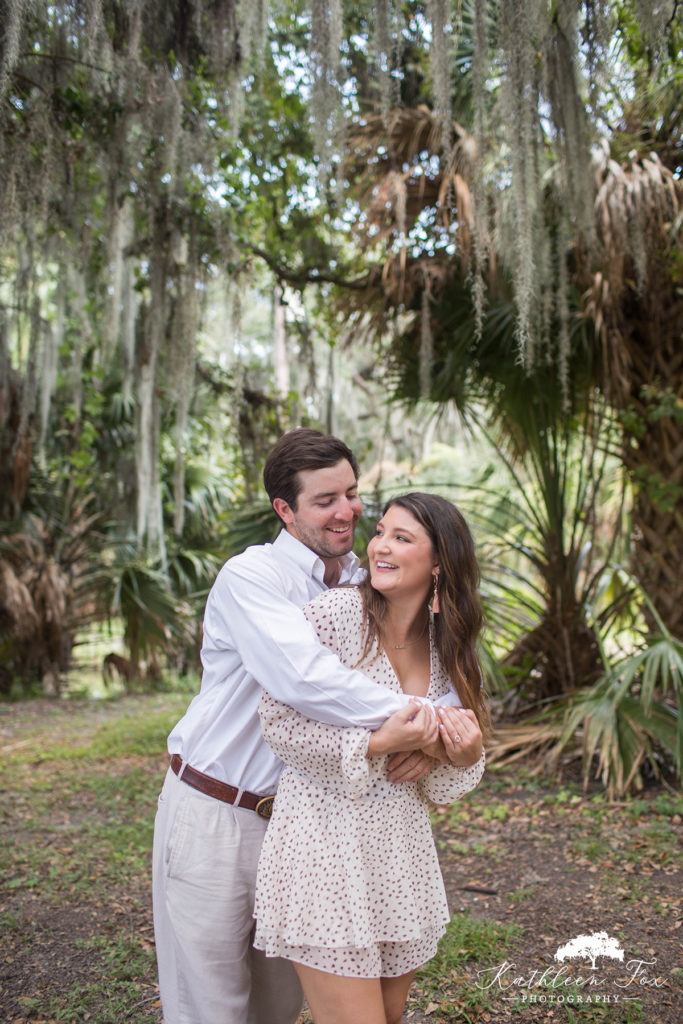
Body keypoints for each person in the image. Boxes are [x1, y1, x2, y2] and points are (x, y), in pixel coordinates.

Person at [152, 430, 452, 1024]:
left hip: (307, 831)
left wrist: (439, 738)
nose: (347, 511)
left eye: (351, 492)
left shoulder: (368, 585)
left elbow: (427, 664)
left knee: (278, 1007)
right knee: (206, 1005)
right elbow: (305, 681)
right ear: (284, 510)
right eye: (324, 500)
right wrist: (424, 725)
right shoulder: (254, 577)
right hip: (217, 813)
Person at [253, 492, 489, 1024]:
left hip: (399, 858)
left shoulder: (447, 647)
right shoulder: (334, 617)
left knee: (389, 1015)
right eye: (380, 531)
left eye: (402, 538)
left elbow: (445, 780)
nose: (379, 546)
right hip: (323, 852)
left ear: (439, 563)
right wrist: (378, 744)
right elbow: (278, 723)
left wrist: (465, 754)